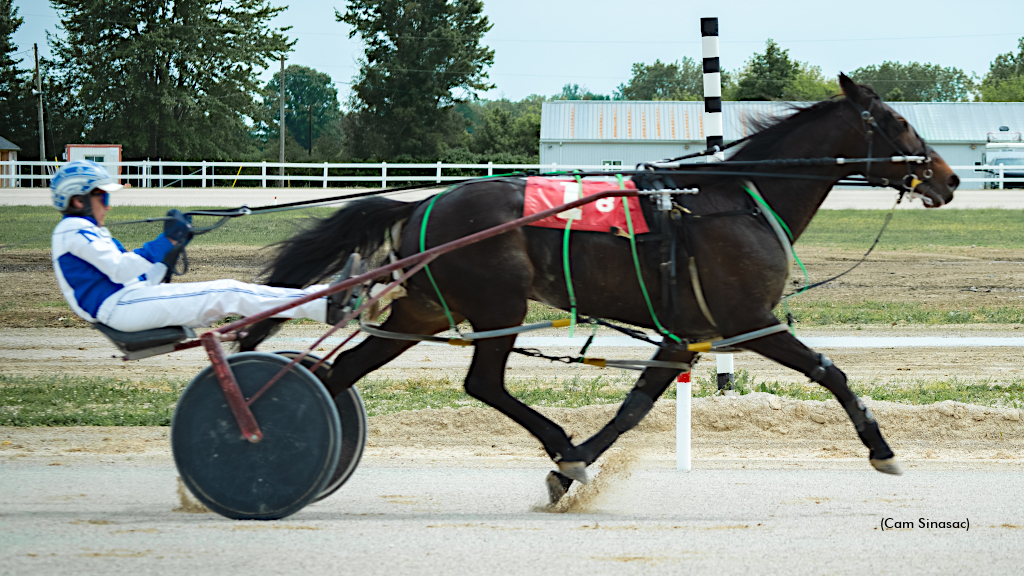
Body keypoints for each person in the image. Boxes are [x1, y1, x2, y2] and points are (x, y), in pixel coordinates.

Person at [50, 160, 348, 333]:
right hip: (121, 307)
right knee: (229, 292)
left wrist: (171, 250)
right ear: (78, 200)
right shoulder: (72, 229)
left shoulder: (86, 231)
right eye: (103, 198)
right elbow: (118, 270)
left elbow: (139, 276)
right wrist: (164, 241)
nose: (108, 206)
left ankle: (325, 300)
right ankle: (325, 303)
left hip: (131, 300)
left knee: (230, 292)